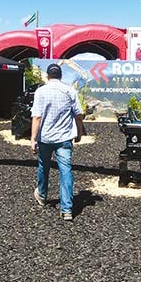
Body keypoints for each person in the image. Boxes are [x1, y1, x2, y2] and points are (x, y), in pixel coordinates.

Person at [30, 63, 84, 221]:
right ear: (61, 76)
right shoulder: (69, 91)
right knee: (65, 170)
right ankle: (67, 209)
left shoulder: (40, 91)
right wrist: (79, 132)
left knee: (43, 166)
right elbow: (78, 115)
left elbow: (37, 117)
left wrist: (33, 139)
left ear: (48, 76)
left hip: (45, 138)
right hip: (64, 138)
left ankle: (42, 195)